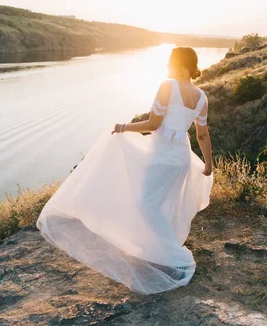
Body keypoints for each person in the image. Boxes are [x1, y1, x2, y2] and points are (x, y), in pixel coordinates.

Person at [36, 47, 214, 294]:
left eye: (171, 64)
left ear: (183, 68)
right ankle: (158, 249)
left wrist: (122, 127)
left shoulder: (167, 86)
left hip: (162, 154)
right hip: (181, 156)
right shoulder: (202, 97)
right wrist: (208, 163)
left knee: (146, 205)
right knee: (161, 203)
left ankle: (176, 259)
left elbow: (153, 124)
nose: (167, 68)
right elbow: (202, 134)